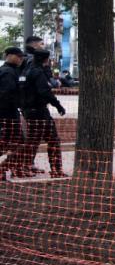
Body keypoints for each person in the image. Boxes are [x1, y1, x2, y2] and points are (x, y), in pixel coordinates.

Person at [20, 49, 67, 178]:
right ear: (46, 59)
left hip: (31, 111)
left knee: (41, 140)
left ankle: (53, 168)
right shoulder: (38, 72)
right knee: (44, 140)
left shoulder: (26, 71)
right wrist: (58, 105)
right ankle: (53, 169)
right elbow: (45, 91)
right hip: (39, 111)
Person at [0, 47, 25, 180]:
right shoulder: (8, 72)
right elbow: (7, 94)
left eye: (22, 56)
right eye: (18, 56)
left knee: (12, 143)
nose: (21, 59)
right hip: (7, 114)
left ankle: (9, 168)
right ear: (8, 56)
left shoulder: (11, 70)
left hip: (9, 114)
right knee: (17, 142)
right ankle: (4, 168)